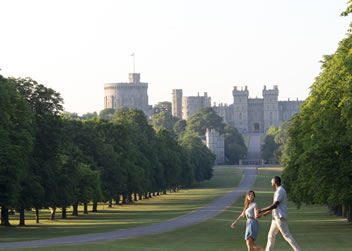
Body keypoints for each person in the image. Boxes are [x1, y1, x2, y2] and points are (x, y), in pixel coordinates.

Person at [259, 176, 301, 251]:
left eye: (271, 182)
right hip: (275, 219)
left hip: (279, 218)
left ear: (275, 182)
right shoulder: (278, 191)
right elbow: (275, 208)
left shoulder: (280, 191)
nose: (271, 183)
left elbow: (275, 205)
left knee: (287, 236)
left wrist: (261, 210)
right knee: (270, 236)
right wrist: (264, 214)